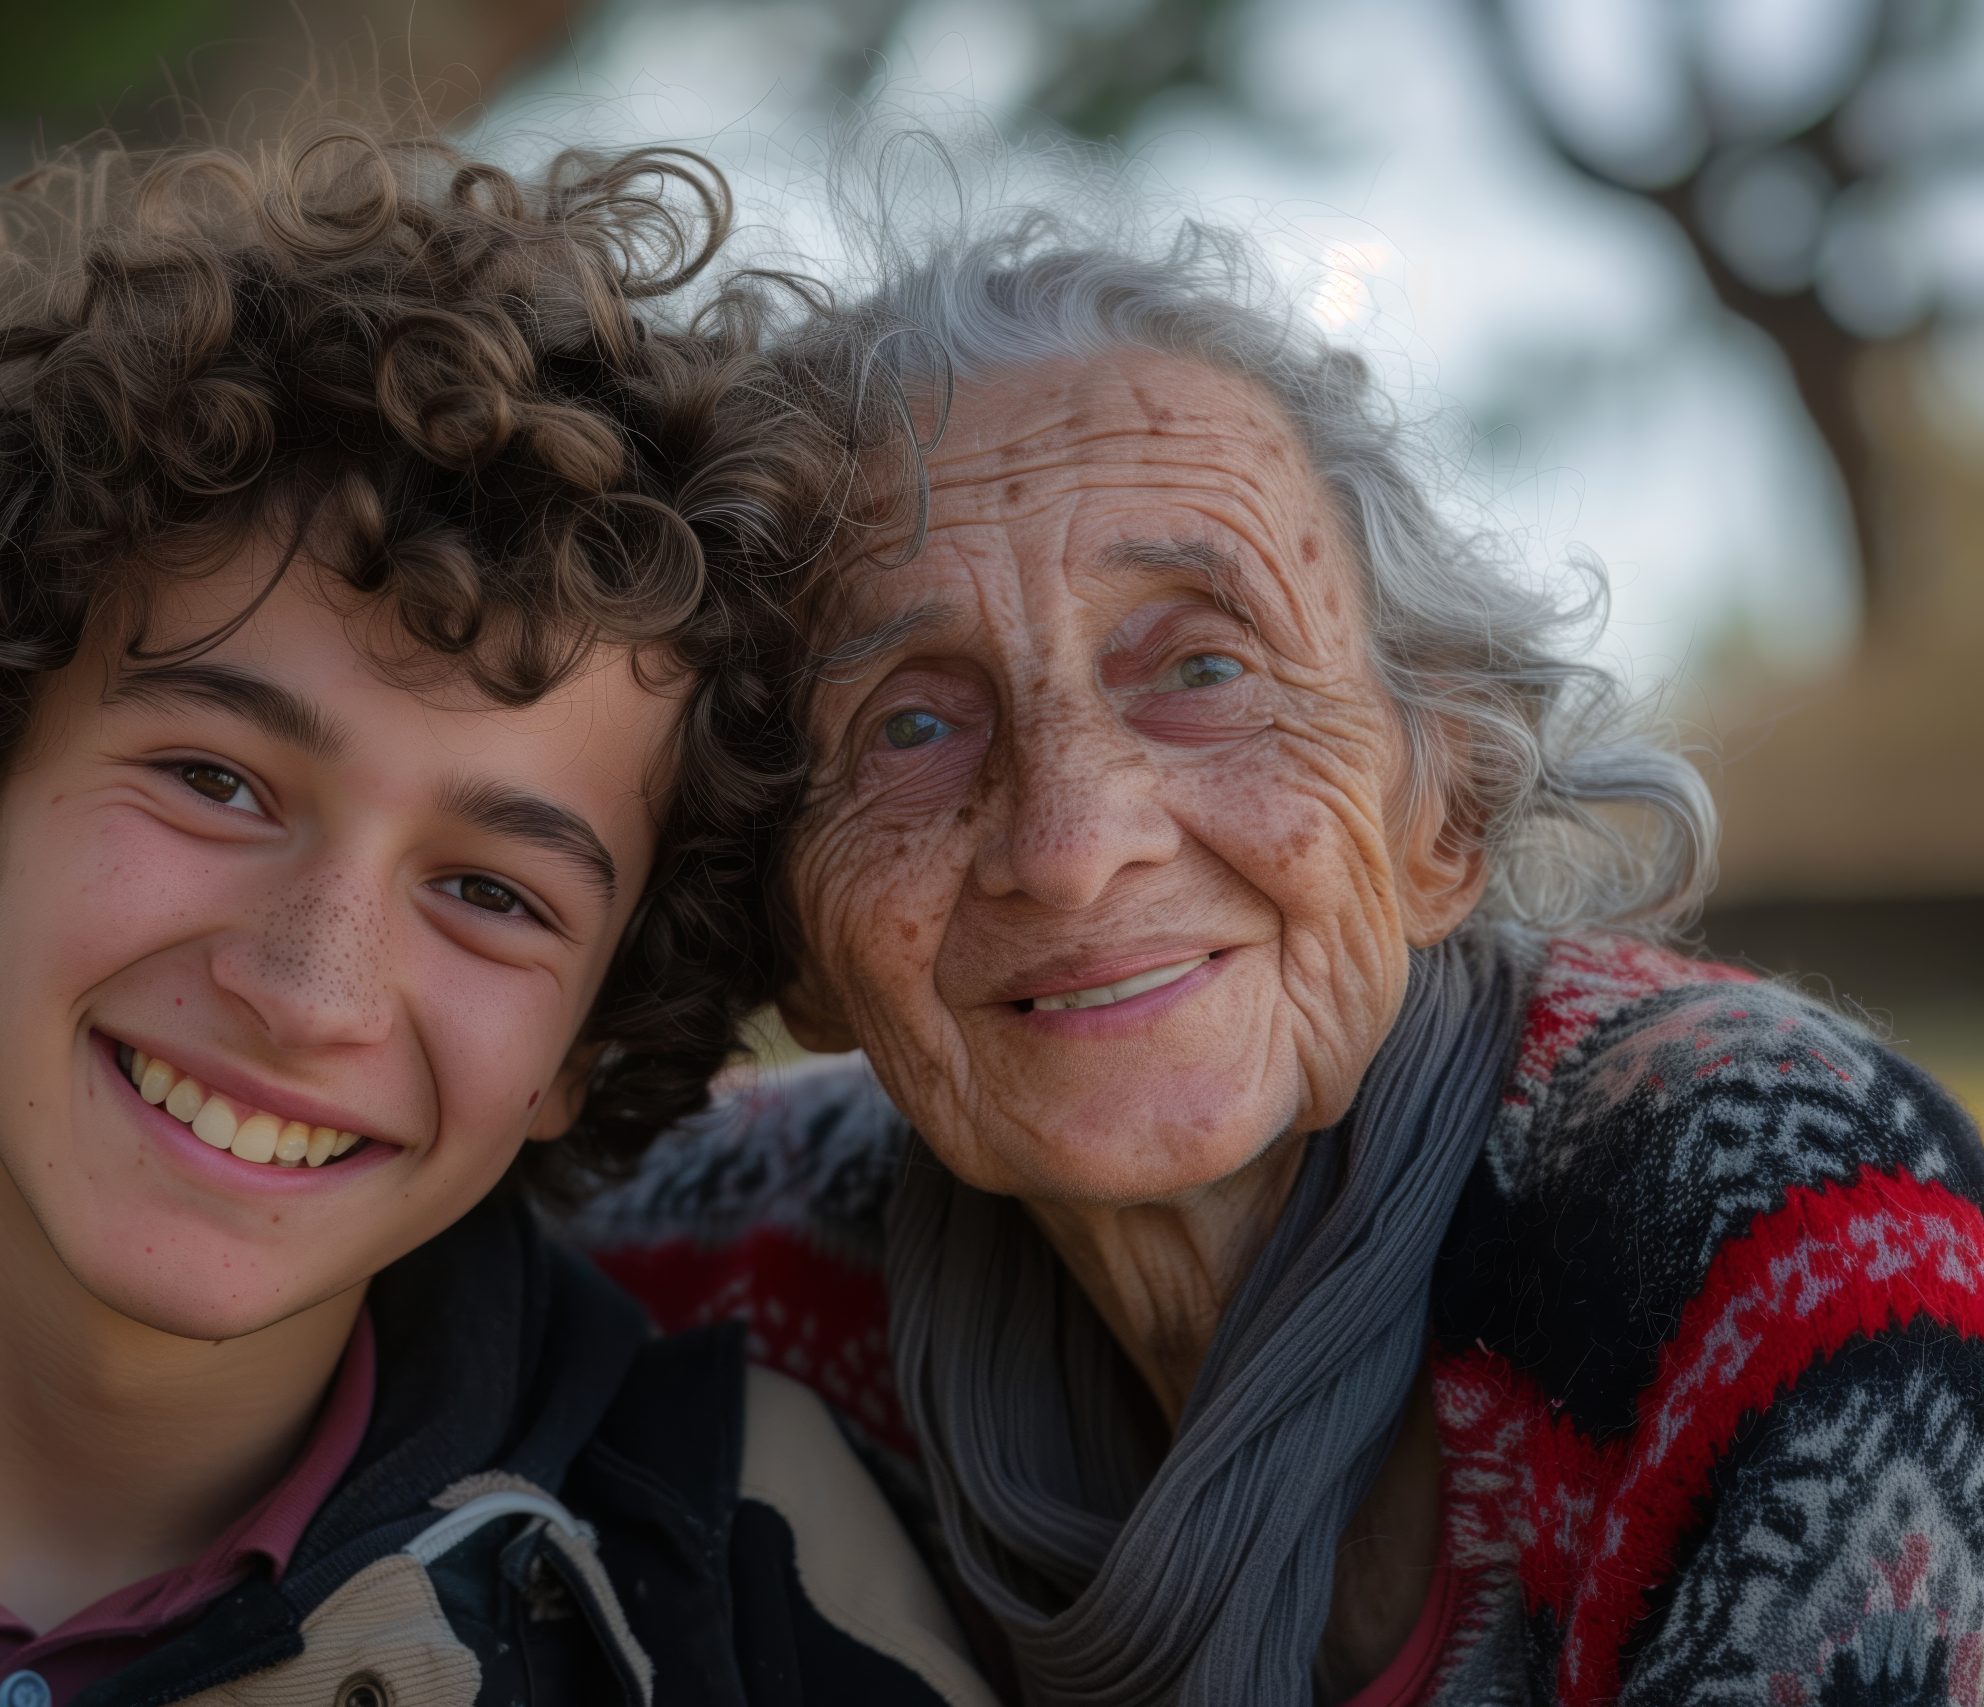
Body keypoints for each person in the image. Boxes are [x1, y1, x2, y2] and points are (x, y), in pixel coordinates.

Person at [0, 121, 993, 1707]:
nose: (309, 987)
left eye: (489, 893)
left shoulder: (735, 1582)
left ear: (587, 1043)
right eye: (214, 782)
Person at [572, 170, 1984, 1704]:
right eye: (910, 721)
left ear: (1442, 810)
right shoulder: (751, 1259)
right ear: (791, 933)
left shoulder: (1761, 1216)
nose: (1069, 841)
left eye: (1202, 665)